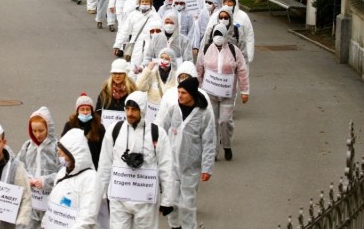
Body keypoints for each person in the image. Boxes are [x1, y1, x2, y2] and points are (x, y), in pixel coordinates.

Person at [97, 91, 174, 229]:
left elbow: (166, 167)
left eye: (134, 109)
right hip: (119, 198)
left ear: (142, 110)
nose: (130, 113)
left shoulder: (157, 134)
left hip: (145, 201)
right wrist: (99, 195)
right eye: (127, 109)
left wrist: (167, 200)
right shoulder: (115, 130)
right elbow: (105, 165)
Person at [156, 78, 216, 229]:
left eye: (183, 93)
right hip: (172, 163)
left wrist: (207, 167)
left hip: (191, 166)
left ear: (192, 94)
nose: (180, 95)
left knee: (187, 204)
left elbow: (209, 141)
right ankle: (175, 226)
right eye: (178, 92)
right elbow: (161, 131)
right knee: (171, 200)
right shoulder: (174, 110)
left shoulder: (204, 114)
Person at [196, 23, 250, 161]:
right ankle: (213, 152)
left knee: (225, 121)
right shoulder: (206, 49)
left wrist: (245, 90)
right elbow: (199, 70)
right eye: (216, 34)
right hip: (210, 94)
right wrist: (199, 89)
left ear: (226, 35)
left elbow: (242, 70)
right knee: (212, 123)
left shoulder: (233, 50)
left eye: (221, 34)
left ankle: (227, 145)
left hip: (227, 94)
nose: (218, 37)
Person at [42, 129, 101, 228]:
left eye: (63, 153)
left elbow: (87, 218)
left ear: (74, 154)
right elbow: (51, 205)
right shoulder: (62, 173)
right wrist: (44, 224)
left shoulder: (91, 179)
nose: (59, 156)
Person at [16, 107, 60, 229]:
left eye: (41, 130)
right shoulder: (27, 147)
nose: (37, 134)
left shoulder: (57, 148)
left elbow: (63, 173)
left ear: (48, 129)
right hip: (31, 201)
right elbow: (18, 167)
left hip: (50, 202)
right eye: (34, 130)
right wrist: (27, 179)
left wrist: (46, 181)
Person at [113, 0, 161, 66]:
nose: (145, 3)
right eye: (143, 2)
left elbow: (160, 32)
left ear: (151, 3)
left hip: (150, 45)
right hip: (136, 44)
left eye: (147, 2)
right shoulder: (133, 15)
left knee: (148, 68)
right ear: (139, 3)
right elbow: (124, 31)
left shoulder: (155, 16)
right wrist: (117, 45)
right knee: (134, 67)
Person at [61, 93, 106, 169]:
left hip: (94, 168)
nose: (85, 112)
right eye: (82, 109)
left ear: (92, 111)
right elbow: (63, 146)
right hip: (74, 167)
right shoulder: (69, 126)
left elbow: (104, 150)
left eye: (87, 109)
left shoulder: (99, 127)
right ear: (77, 111)